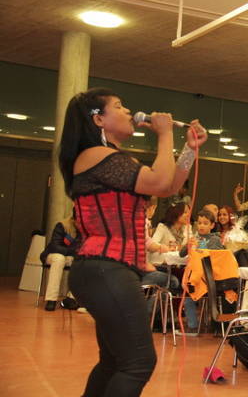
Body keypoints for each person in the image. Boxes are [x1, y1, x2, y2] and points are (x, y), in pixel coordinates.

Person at [61, 87, 207, 396]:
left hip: (105, 269)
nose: (128, 111)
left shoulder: (110, 158)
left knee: (115, 362)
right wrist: (164, 134)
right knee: (138, 363)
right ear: (98, 119)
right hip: (105, 268)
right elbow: (160, 181)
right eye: (119, 106)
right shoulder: (96, 155)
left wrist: (190, 150)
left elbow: (166, 187)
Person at [181, 209, 224, 334]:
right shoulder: (195, 238)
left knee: (194, 293)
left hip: (210, 278)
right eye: (199, 223)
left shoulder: (215, 239)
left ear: (212, 225)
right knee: (188, 294)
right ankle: (192, 325)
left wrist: (200, 248)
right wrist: (188, 245)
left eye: (205, 223)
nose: (201, 226)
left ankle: (212, 325)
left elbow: (215, 257)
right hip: (195, 277)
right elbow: (181, 254)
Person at [40, 210, 81, 311]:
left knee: (82, 262)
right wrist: (72, 251)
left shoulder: (84, 230)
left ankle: (71, 299)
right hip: (52, 255)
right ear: (74, 219)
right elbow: (55, 246)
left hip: (69, 256)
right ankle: (51, 300)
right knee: (59, 259)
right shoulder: (62, 225)